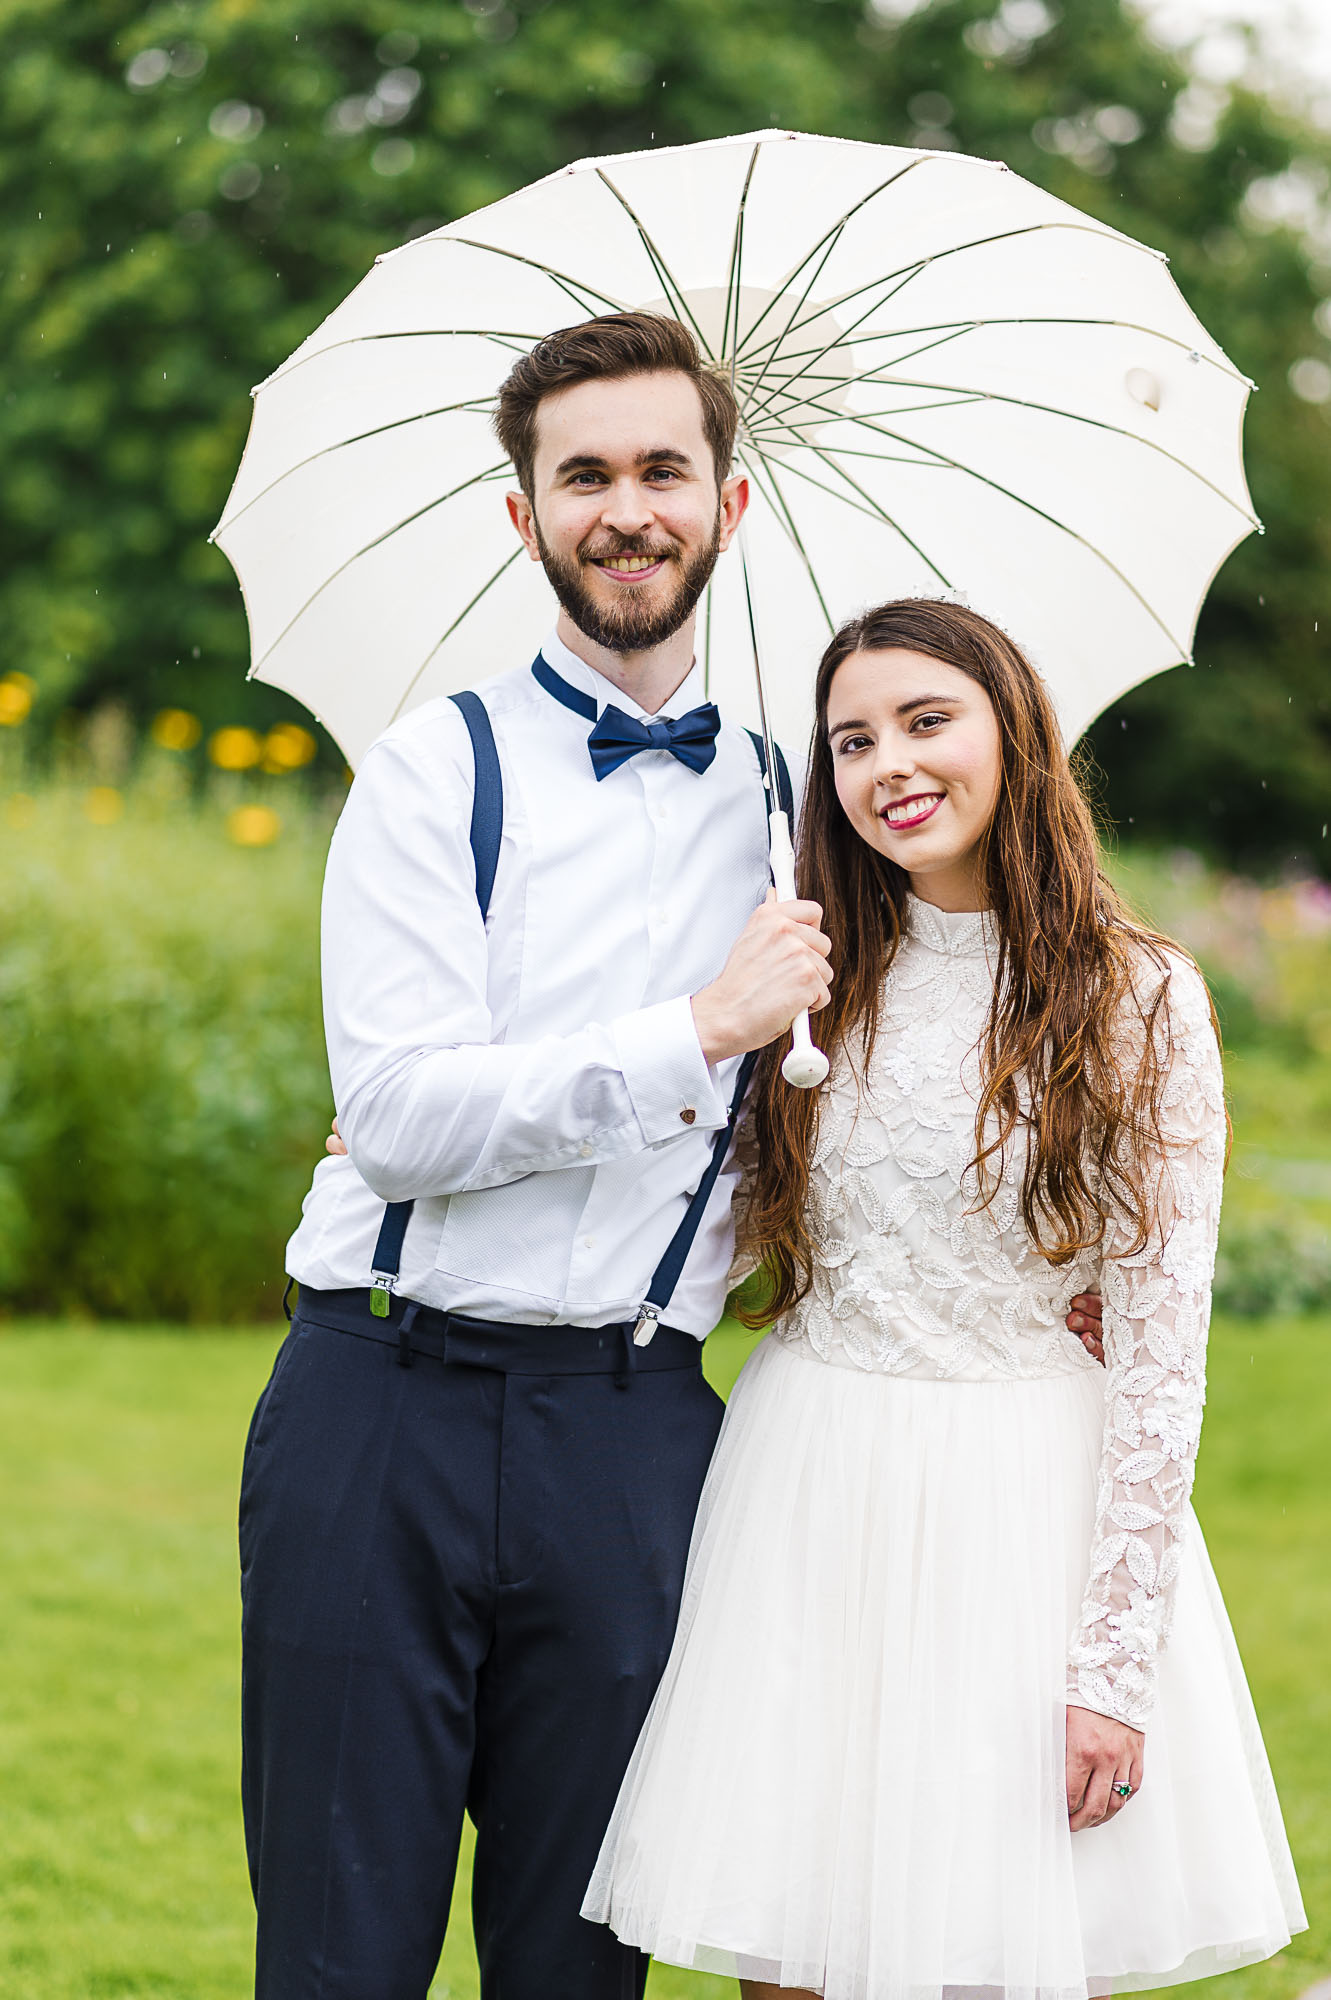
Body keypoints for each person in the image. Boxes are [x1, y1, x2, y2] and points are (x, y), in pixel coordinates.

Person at [241, 312, 1104, 2000]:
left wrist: (1031, 1285)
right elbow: (402, 1117)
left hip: (642, 1441)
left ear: (732, 501)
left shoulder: (814, 795)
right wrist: (694, 1028)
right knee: (340, 1948)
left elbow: (889, 1088)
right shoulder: (434, 772)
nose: (626, 508)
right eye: (584, 477)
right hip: (381, 1411)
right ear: (524, 515)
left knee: (588, 1957)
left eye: (661, 470)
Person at [584, 599, 1305, 2000]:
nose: (888, 765)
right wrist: (468, 1147)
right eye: (852, 739)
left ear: (1011, 733)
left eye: (927, 721)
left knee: (1005, 1947)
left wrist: (1113, 1664)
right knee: (789, 1940)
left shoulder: (1140, 999)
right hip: (809, 1496)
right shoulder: (808, 981)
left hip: (1022, 1512)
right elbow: (689, 1231)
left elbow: (1162, 1363)